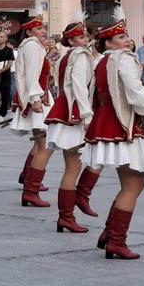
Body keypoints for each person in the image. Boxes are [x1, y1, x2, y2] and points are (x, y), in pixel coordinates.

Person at [83, 6, 144, 260]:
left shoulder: (102, 61)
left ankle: (110, 234)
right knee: (134, 183)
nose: (127, 40)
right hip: (124, 127)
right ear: (108, 43)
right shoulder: (123, 60)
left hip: (108, 125)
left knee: (132, 182)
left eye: (126, 35)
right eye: (121, 37)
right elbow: (135, 93)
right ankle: (115, 239)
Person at [44, 14, 94, 233]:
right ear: (72, 40)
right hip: (73, 111)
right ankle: (67, 215)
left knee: (72, 166)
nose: (85, 39)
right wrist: (86, 115)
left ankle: (66, 215)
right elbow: (79, 86)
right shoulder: (81, 55)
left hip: (65, 108)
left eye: (85, 36)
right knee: (74, 166)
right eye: (80, 36)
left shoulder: (67, 56)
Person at [11, 11, 53, 207]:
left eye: (43, 27)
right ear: (28, 32)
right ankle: (31, 189)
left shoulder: (31, 46)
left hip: (36, 97)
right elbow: (30, 75)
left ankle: (28, 179)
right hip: (37, 99)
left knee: (39, 143)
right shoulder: (33, 46)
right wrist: (35, 99)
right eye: (38, 28)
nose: (43, 31)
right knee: (43, 145)